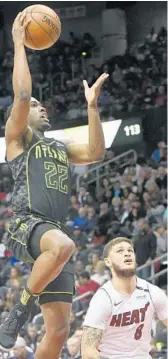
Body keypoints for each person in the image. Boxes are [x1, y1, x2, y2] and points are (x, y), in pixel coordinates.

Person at [0, 11, 108, 359]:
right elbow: (20, 94)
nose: (40, 106)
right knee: (64, 245)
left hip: (54, 234)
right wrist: (19, 44)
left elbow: (94, 152)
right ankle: (18, 310)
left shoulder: (59, 147)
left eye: (41, 104)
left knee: (60, 329)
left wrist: (92, 108)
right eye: (35, 106)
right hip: (24, 223)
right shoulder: (18, 139)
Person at [81, 237, 168, 359]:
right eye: (120, 251)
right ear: (108, 262)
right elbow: (88, 350)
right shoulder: (103, 298)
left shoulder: (152, 292)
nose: (127, 253)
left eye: (130, 251)